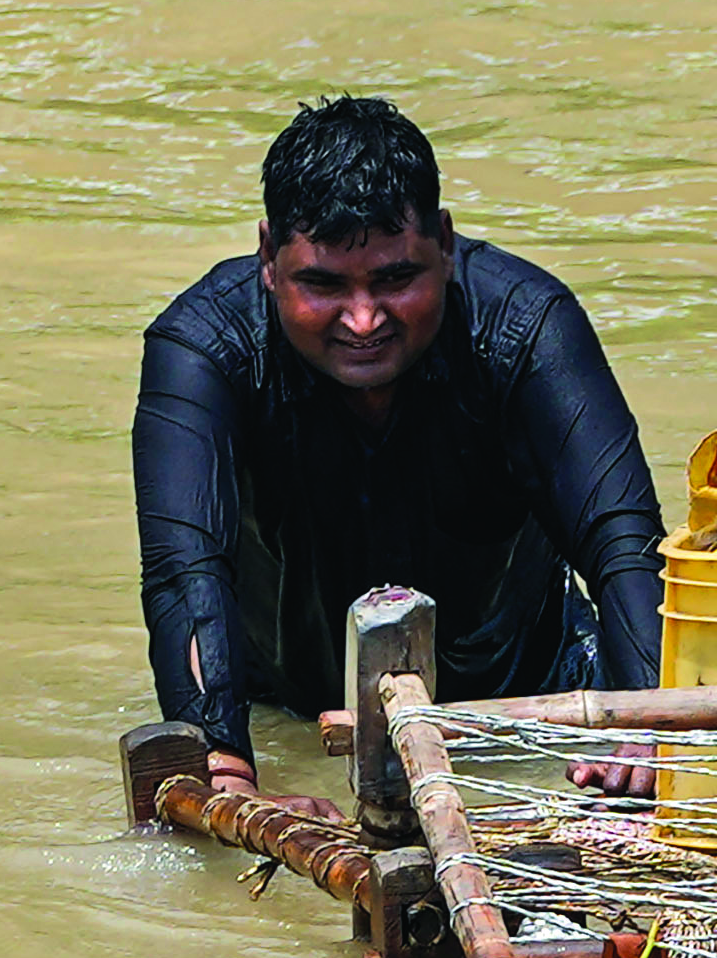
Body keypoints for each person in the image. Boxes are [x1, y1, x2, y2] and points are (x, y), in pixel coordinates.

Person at [133, 96, 666, 809]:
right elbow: (185, 572)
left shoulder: (527, 327)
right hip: (287, 703)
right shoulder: (204, 347)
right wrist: (228, 774)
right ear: (268, 258)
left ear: (444, 244)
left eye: (394, 279)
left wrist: (652, 724)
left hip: (526, 694)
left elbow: (623, 542)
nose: (362, 319)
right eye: (322, 285)